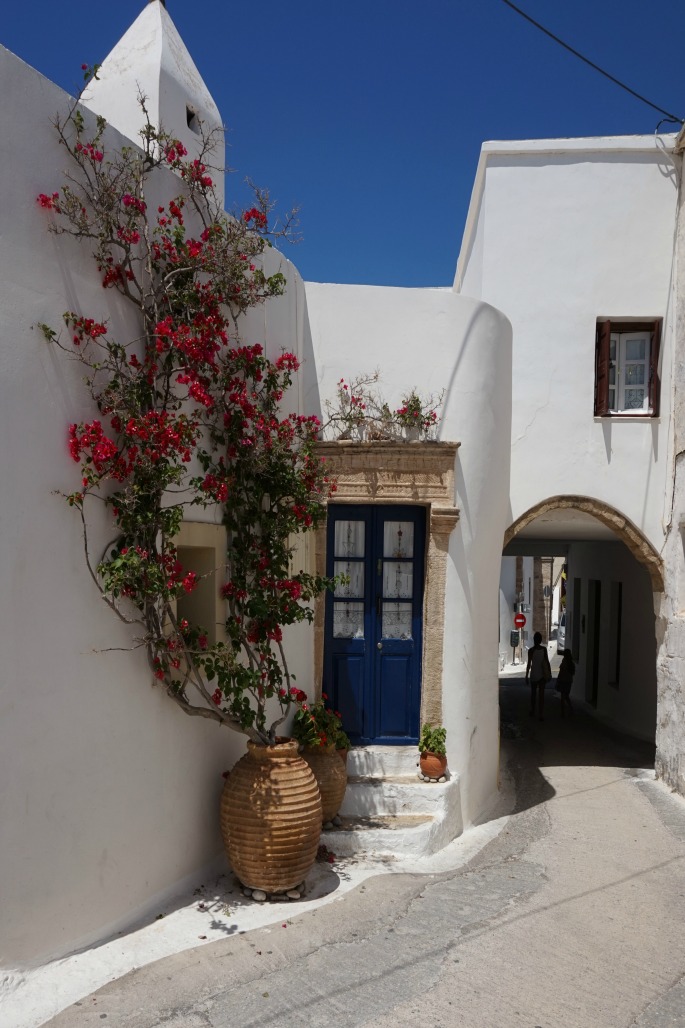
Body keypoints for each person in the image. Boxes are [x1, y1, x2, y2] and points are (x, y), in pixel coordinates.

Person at [525, 631, 551, 721]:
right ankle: (541, 714)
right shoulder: (544, 650)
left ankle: (533, 710)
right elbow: (547, 661)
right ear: (540, 640)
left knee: (533, 694)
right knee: (541, 695)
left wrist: (526, 675)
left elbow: (529, 664)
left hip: (534, 675)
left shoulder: (531, 651)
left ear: (534, 640)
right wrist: (549, 672)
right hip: (542, 675)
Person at [556, 648, 576, 718]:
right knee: (566, 696)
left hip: (563, 681)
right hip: (569, 681)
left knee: (563, 697)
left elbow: (561, 672)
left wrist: (558, 679)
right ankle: (571, 709)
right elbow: (573, 673)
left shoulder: (564, 662)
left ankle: (563, 713)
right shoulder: (571, 663)